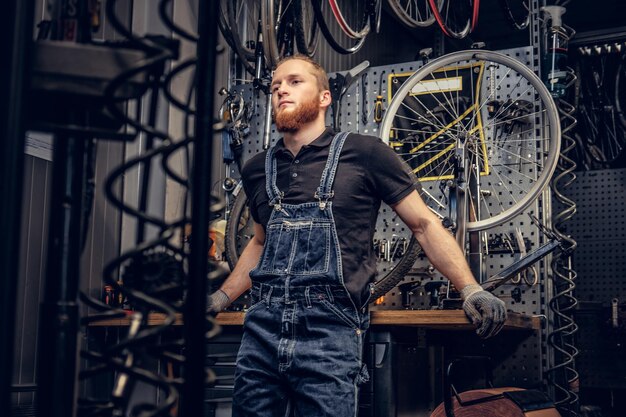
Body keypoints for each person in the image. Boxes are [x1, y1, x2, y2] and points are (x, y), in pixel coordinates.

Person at [208, 55, 507, 417]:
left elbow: (425, 226)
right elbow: (259, 243)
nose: (281, 90)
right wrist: (220, 298)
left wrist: (469, 288)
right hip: (262, 331)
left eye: (294, 81)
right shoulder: (257, 169)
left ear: (324, 97)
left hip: (330, 334)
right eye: (274, 87)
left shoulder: (365, 154)